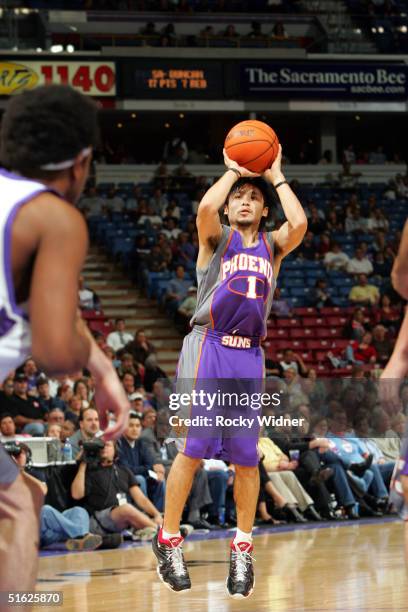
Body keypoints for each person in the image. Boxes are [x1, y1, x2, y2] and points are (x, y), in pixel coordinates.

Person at [152, 143, 307, 597]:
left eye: (253, 197)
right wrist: (234, 171)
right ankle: (168, 537)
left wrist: (274, 175)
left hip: (249, 356)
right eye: (239, 195)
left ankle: (242, 547)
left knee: (245, 458)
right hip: (208, 346)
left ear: (263, 209)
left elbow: (298, 224)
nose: (244, 200)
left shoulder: (272, 245)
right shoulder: (216, 238)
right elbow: (204, 207)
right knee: (194, 447)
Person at [0, 84, 130, 601]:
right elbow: (56, 354)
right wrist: (81, 360)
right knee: (18, 509)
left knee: (24, 496)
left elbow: (61, 316)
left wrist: (103, 369)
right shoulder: (53, 217)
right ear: (81, 163)